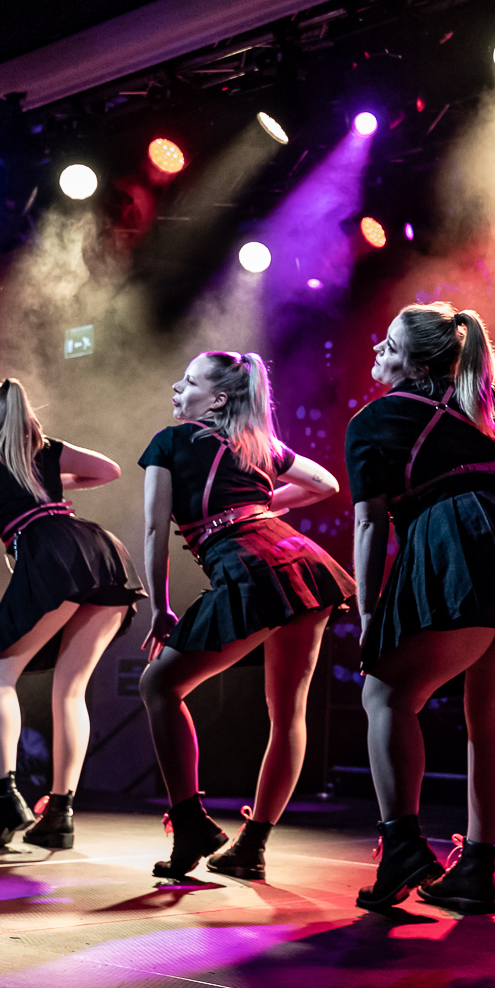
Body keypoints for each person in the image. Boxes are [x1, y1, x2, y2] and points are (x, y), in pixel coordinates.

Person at [347, 303, 495, 916]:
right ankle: (476, 872)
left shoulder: (374, 419)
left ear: (416, 362)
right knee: (492, 719)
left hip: (459, 547)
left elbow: (370, 524)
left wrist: (368, 613)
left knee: (385, 697)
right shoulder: (482, 396)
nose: (376, 349)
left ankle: (403, 848)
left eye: (388, 343)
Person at [137, 351, 354, 880]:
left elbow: (155, 530)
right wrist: (266, 506)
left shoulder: (170, 441)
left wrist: (160, 606)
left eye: (188, 381)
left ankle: (191, 823)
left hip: (251, 568)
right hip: (303, 564)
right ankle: (251, 846)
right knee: (288, 712)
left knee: (159, 686)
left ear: (217, 399)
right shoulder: (258, 444)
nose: (176, 387)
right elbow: (326, 484)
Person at [0, 378, 141, 850]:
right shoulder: (43, 449)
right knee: (70, 690)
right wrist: (50, 485)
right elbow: (109, 470)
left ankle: (6, 798)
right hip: (100, 551)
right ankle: (59, 814)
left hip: (52, 558)